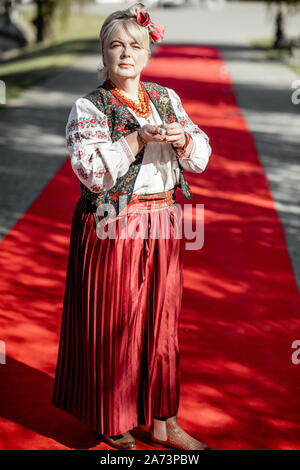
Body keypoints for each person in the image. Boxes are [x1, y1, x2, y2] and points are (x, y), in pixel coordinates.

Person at [51, 2, 213, 451]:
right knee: (114, 322)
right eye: (116, 45)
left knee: (163, 325)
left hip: (163, 219)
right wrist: (137, 136)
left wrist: (182, 139)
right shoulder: (89, 106)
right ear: (103, 53)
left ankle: (165, 420)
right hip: (111, 225)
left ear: (147, 53)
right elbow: (91, 172)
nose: (126, 53)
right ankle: (112, 418)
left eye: (135, 46)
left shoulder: (166, 98)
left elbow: (200, 155)